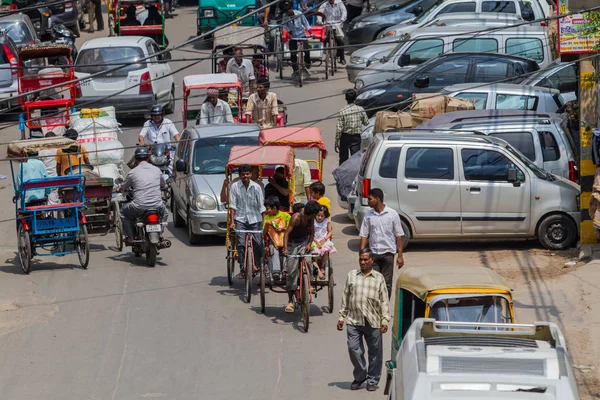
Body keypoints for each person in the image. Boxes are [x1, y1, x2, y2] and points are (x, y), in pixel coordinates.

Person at [338, 248, 390, 392]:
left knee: (375, 353)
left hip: (373, 321)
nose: (363, 262)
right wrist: (342, 316)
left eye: (366, 259)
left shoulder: (379, 278)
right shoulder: (352, 275)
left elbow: (384, 300)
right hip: (354, 320)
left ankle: (373, 379)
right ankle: (360, 376)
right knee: (354, 349)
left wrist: (384, 320)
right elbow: (346, 296)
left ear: (372, 260)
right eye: (361, 259)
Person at [358, 188, 404, 298]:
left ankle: (384, 309)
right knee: (373, 283)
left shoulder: (392, 214)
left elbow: (399, 236)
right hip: (373, 254)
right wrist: (362, 255)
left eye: (370, 199)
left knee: (386, 283)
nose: (368, 201)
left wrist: (400, 256)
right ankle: (374, 308)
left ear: (377, 199)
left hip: (388, 254)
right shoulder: (368, 215)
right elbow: (364, 235)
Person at [120, 147, 167, 244]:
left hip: (139, 206)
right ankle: (160, 233)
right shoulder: (156, 170)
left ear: (136, 160)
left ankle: (131, 237)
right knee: (165, 213)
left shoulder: (132, 172)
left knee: (123, 212)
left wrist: (119, 189)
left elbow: (124, 187)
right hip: (158, 206)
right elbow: (163, 184)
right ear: (149, 158)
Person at [282, 200, 319, 313]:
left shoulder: (311, 218)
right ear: (311, 213)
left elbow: (312, 233)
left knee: (308, 261)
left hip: (303, 242)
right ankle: (290, 301)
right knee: (291, 271)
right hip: (292, 244)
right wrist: (286, 249)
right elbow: (287, 233)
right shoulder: (296, 217)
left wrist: (309, 244)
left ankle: (309, 284)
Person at [229, 164, 265, 278]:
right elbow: (232, 206)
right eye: (243, 174)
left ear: (251, 174)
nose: (245, 176)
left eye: (247, 174)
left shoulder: (257, 187)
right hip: (240, 219)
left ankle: (256, 265)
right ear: (240, 175)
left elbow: (261, 206)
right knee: (240, 244)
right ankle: (243, 268)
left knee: (258, 243)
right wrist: (232, 222)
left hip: (255, 219)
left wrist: (264, 221)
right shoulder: (234, 186)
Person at [336, 89, 369, 165]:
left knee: (343, 160)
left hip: (344, 138)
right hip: (356, 138)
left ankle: (342, 175)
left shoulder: (342, 111)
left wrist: (336, 142)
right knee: (355, 159)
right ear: (355, 98)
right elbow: (366, 122)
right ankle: (354, 176)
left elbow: (339, 129)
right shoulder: (360, 109)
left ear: (345, 98)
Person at [263, 196, 291, 281]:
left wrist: (283, 229)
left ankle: (285, 271)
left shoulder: (285, 216)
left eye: (268, 209)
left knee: (286, 251)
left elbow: (291, 228)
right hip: (273, 241)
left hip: (285, 240)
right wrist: (267, 225)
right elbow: (264, 233)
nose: (267, 211)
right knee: (273, 250)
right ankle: (276, 272)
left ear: (274, 208)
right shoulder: (267, 218)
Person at [282, 8, 313, 76]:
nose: (287, 13)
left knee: (306, 49)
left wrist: (310, 33)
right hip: (293, 36)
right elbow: (284, 25)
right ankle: (295, 69)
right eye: (286, 12)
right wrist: (289, 32)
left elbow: (305, 23)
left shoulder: (299, 13)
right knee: (293, 53)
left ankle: (307, 62)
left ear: (291, 9)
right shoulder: (285, 16)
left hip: (301, 34)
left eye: (288, 12)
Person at [318, 0, 347, 65]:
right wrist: (320, 21)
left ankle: (342, 58)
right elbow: (319, 13)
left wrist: (343, 18)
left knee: (340, 41)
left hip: (338, 24)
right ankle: (325, 50)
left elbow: (344, 11)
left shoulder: (339, 2)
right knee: (325, 39)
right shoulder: (324, 5)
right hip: (328, 24)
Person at [311, 205, 335, 279]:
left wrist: (324, 239)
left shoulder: (326, 221)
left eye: (322, 216)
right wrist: (317, 242)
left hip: (324, 240)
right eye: (318, 215)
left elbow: (330, 232)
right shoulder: (313, 221)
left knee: (326, 250)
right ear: (315, 215)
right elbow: (311, 234)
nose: (320, 217)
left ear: (325, 216)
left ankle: (322, 266)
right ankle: (318, 271)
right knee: (311, 255)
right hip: (314, 240)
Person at [38, 132, 60, 205]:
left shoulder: (42, 151)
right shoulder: (58, 150)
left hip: (44, 179)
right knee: (54, 200)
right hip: (55, 178)